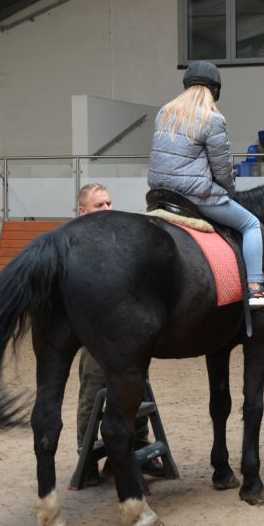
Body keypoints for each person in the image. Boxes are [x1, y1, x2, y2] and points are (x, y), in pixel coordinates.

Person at [149, 60, 264, 309]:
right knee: (251, 224)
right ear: (215, 90)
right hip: (195, 197)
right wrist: (229, 191)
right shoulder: (212, 119)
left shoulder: (164, 113)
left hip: (161, 195)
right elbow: (222, 168)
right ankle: (256, 288)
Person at [74, 183, 163, 486]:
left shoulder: (121, 238)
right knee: (92, 394)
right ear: (83, 211)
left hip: (129, 334)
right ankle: (86, 460)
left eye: (109, 203)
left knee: (137, 390)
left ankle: (136, 452)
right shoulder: (76, 246)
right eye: (99, 205)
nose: (107, 209)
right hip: (96, 337)